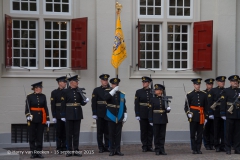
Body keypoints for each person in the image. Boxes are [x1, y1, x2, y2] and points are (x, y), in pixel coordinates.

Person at [60, 75, 89, 157]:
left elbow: (81, 103)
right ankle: (69, 150)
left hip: (77, 114)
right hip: (69, 114)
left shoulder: (78, 91)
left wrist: (85, 101)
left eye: (77, 81)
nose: (77, 83)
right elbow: (63, 104)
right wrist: (63, 115)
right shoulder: (65, 92)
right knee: (69, 133)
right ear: (71, 82)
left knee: (76, 133)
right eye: (76, 81)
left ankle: (76, 149)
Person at [25, 81, 50, 159]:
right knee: (32, 136)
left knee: (39, 136)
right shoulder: (30, 96)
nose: (40, 89)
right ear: (35, 89)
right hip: (32, 118)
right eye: (39, 88)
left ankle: (39, 152)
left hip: (41, 118)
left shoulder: (43, 96)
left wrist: (47, 118)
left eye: (41, 88)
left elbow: (45, 107)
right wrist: (28, 115)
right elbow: (27, 108)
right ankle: (33, 153)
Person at [184, 78, 208, 154]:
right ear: (194, 85)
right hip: (193, 116)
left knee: (200, 134)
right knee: (193, 133)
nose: (198, 86)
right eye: (196, 84)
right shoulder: (190, 94)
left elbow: (206, 106)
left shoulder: (204, 94)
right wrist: (188, 113)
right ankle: (194, 148)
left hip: (201, 116)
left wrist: (206, 116)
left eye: (199, 84)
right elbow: (186, 107)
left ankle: (198, 148)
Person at [104, 78, 127, 156]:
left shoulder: (121, 94)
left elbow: (123, 105)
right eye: (114, 84)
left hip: (119, 115)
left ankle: (118, 150)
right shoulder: (108, 91)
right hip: (111, 115)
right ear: (111, 84)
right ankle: (112, 150)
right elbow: (106, 98)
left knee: (118, 134)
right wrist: (113, 91)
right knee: (111, 133)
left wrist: (125, 114)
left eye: (116, 84)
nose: (115, 85)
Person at [149, 84, 171, 155]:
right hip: (156, 118)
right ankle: (157, 149)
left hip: (163, 118)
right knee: (156, 135)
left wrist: (168, 109)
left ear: (161, 91)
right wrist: (150, 120)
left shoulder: (164, 99)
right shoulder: (153, 99)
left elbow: (166, 109)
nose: (155, 91)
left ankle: (162, 149)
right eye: (155, 89)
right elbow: (150, 110)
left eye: (157, 90)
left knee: (162, 135)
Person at [220, 75, 240, 155]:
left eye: (236, 81)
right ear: (230, 82)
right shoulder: (226, 91)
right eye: (233, 81)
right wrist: (223, 113)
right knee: (228, 132)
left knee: (238, 133)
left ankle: (237, 148)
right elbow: (223, 102)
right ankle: (228, 148)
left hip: (238, 114)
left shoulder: (239, 91)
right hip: (229, 114)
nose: (235, 83)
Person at [91, 74, 110, 153]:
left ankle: (107, 146)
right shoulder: (97, 90)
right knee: (100, 131)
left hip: (108, 112)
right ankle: (100, 147)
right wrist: (94, 113)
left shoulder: (111, 89)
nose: (105, 82)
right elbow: (94, 102)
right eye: (103, 80)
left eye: (106, 80)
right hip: (99, 112)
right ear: (101, 81)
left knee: (108, 131)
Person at [134, 76, 154, 152]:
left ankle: (150, 146)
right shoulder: (138, 92)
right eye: (143, 82)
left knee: (150, 130)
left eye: (145, 82)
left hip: (151, 113)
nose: (144, 83)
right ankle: (144, 146)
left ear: (148, 83)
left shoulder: (153, 91)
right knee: (143, 130)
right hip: (142, 113)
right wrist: (137, 114)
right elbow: (136, 104)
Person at [208, 76, 226, 152]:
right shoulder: (213, 91)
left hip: (224, 112)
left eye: (223, 82)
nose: (222, 83)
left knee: (223, 130)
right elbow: (210, 102)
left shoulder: (226, 90)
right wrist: (210, 113)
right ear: (218, 82)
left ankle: (223, 145)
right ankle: (217, 145)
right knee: (216, 130)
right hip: (216, 112)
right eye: (221, 82)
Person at [50, 76, 67, 154]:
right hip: (58, 113)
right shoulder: (54, 92)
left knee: (66, 131)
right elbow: (53, 104)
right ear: (60, 83)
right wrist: (54, 116)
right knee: (59, 132)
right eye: (64, 82)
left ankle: (65, 146)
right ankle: (59, 147)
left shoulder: (67, 91)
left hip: (66, 113)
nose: (65, 83)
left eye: (66, 82)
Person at [203, 78, 215, 150]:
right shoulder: (204, 93)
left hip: (213, 114)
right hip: (205, 114)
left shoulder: (215, 92)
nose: (210, 86)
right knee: (206, 130)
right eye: (209, 84)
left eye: (211, 84)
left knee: (212, 130)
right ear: (206, 85)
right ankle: (206, 144)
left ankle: (212, 144)